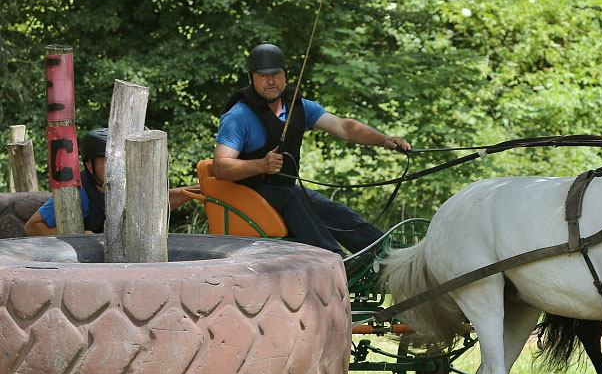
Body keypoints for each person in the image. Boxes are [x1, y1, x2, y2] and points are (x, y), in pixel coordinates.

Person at [213, 42, 411, 257]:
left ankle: (393, 256)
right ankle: (339, 262)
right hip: (248, 193)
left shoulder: (300, 107)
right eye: (262, 76)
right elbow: (221, 168)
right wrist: (261, 164)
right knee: (295, 199)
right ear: (252, 78)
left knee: (334, 211)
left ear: (285, 75)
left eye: (276, 74)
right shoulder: (238, 116)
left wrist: (384, 140)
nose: (270, 81)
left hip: (285, 191)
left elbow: (346, 128)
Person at [24, 128, 199, 236]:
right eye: (108, 161)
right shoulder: (78, 192)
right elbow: (32, 227)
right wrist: (79, 235)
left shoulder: (126, 182)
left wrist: (197, 191)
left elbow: (157, 202)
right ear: (90, 165)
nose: (117, 167)